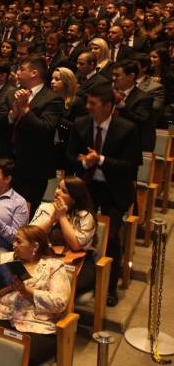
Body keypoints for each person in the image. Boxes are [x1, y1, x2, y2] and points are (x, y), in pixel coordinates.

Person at [66, 84, 141, 305]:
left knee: (112, 240)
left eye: (93, 104)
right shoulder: (80, 124)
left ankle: (109, 288)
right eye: (87, 102)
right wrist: (82, 161)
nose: (88, 107)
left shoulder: (127, 129)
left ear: (108, 106)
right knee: (77, 235)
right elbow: (69, 157)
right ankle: (81, 280)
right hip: (86, 189)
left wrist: (100, 160)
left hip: (114, 190)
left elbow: (130, 167)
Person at [0, 226, 72, 366]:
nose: (14, 245)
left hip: (37, 325)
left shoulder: (53, 266)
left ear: (35, 246)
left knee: (15, 356)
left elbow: (59, 303)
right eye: (15, 241)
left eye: (19, 242)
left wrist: (26, 290)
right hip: (2, 315)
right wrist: (9, 287)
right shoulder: (7, 259)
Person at [10, 55, 64, 215]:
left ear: (34, 73)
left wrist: (25, 109)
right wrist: (12, 115)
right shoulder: (17, 93)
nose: (18, 72)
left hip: (34, 168)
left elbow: (45, 129)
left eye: (22, 69)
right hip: (12, 163)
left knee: (25, 215)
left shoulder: (53, 99)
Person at [30, 176, 97, 294]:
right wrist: (52, 217)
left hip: (78, 263)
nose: (57, 192)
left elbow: (76, 245)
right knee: (31, 282)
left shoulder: (85, 216)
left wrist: (61, 216)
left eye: (64, 191)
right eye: (58, 187)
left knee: (57, 288)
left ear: (74, 198)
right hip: (49, 257)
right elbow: (31, 236)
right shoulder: (46, 207)